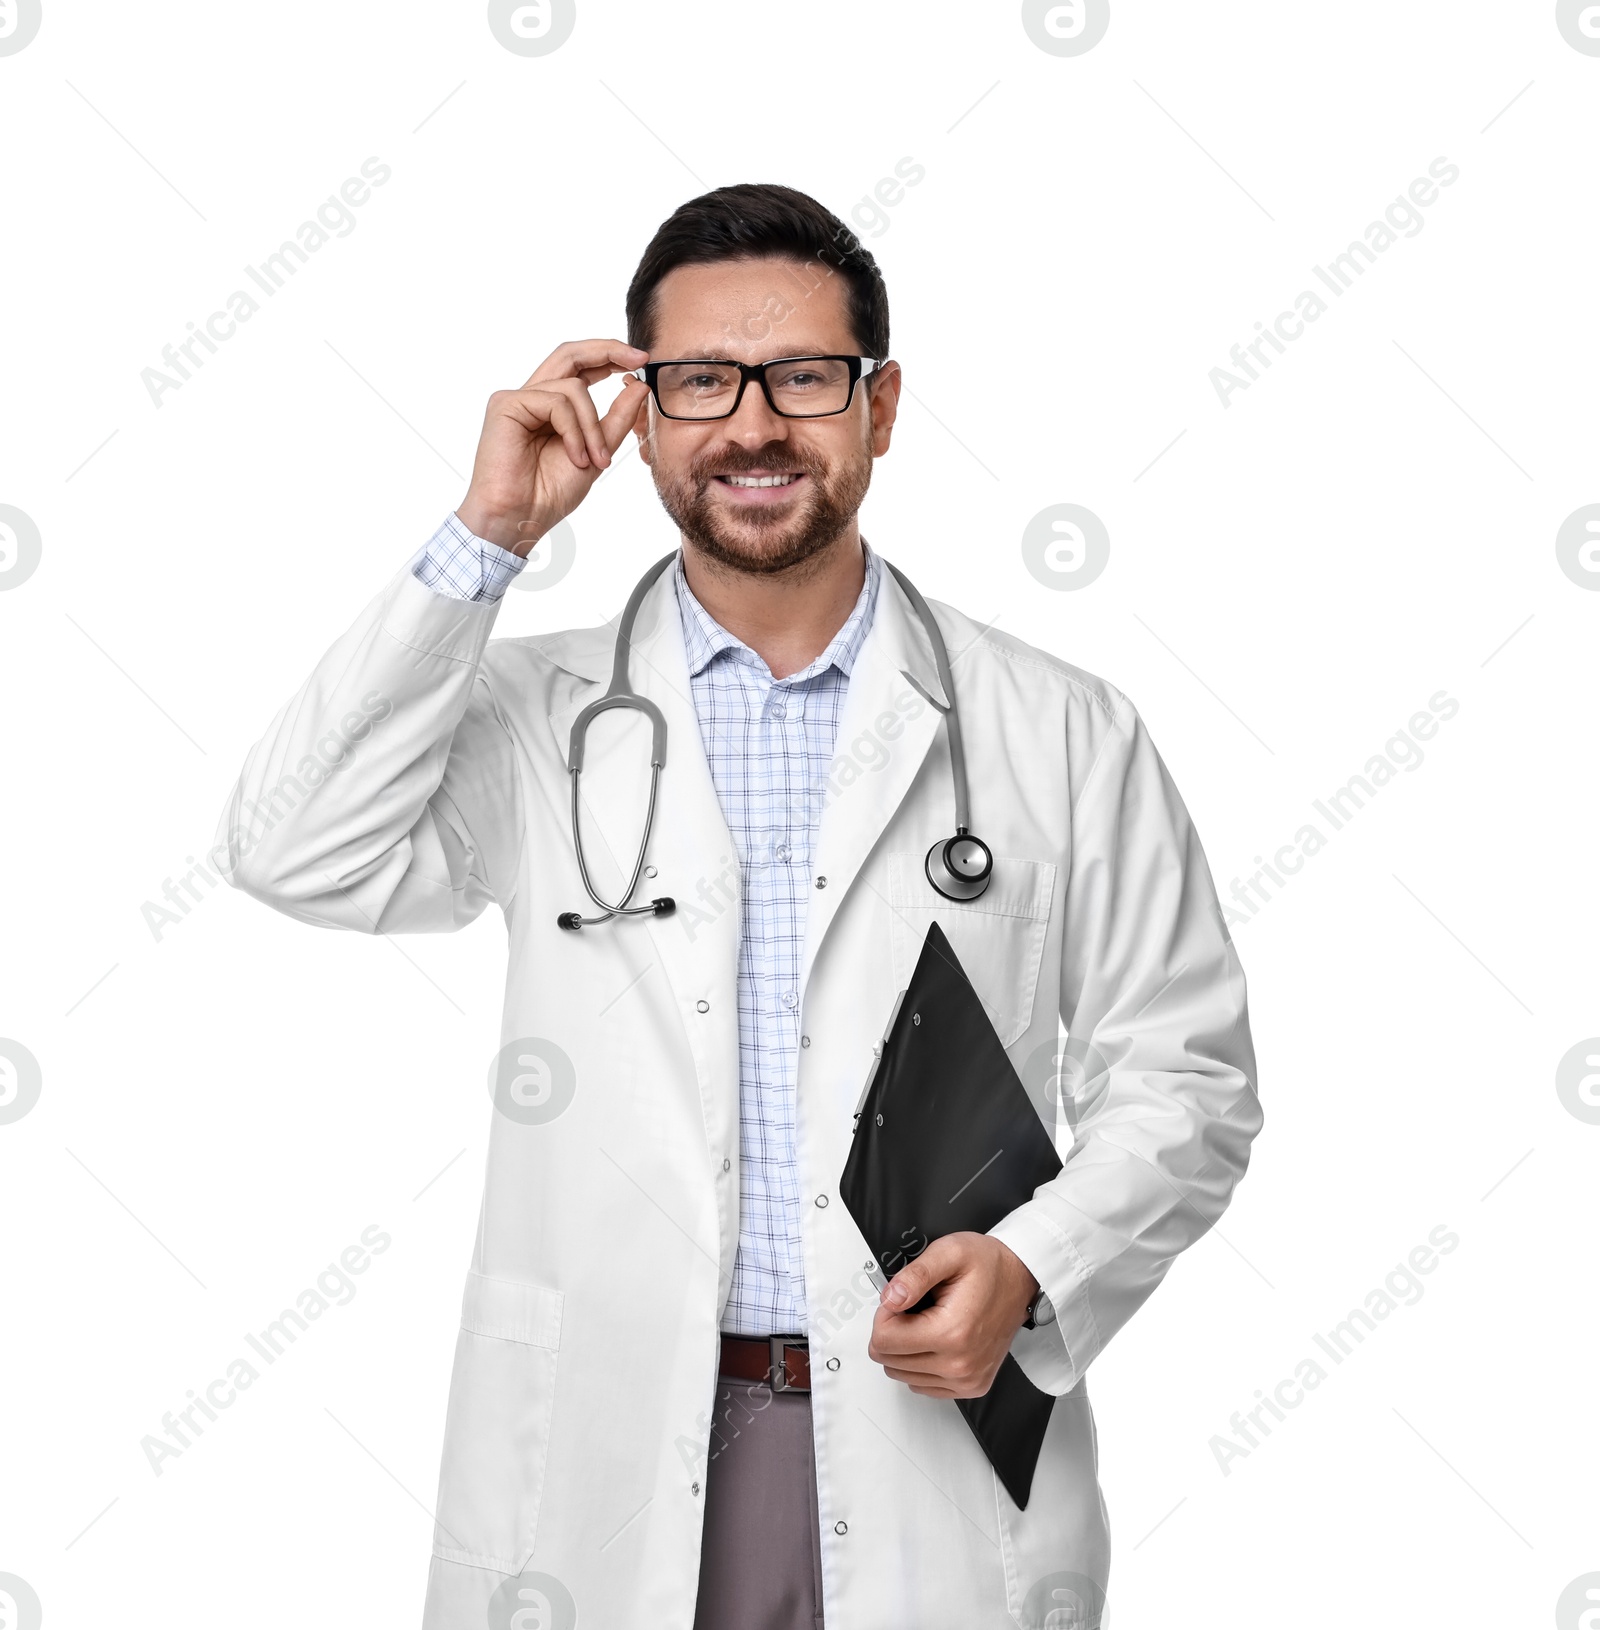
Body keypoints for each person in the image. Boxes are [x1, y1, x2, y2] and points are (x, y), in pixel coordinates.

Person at [217, 183, 1261, 1630]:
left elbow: (1188, 1076)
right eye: (701, 379)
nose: (754, 424)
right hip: (615, 1444)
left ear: (880, 408)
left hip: (923, 1444)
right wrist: (487, 533)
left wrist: (1034, 1263)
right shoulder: (533, 719)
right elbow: (293, 849)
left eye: (805, 380)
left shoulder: (1059, 731)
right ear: (636, 408)